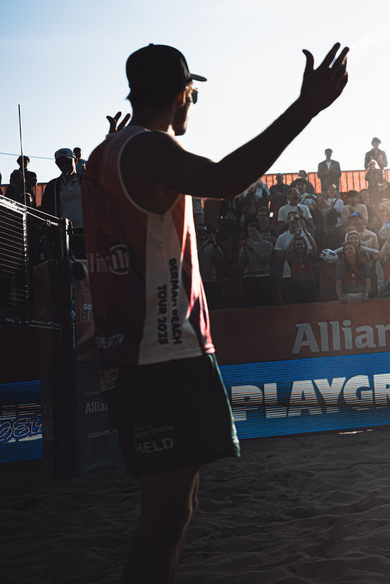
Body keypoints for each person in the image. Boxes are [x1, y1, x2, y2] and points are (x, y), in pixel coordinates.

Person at [81, 41, 349, 582]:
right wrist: (306, 107)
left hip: (135, 352)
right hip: (161, 354)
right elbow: (226, 180)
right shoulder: (147, 148)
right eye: (193, 94)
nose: (193, 104)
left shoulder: (108, 152)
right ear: (182, 93)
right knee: (165, 518)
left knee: (175, 511)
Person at [41, 147, 86, 257]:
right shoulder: (53, 186)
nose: (64, 165)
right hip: (64, 234)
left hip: (86, 231)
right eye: (60, 163)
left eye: (67, 161)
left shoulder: (86, 181)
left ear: (75, 161)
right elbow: (46, 210)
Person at [239, 222, 274, 306]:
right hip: (249, 277)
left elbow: (263, 259)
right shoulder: (246, 245)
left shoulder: (267, 244)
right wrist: (245, 250)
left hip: (263, 277)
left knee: (265, 304)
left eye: (253, 231)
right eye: (249, 232)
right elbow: (242, 263)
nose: (251, 233)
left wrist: (251, 249)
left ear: (259, 231)